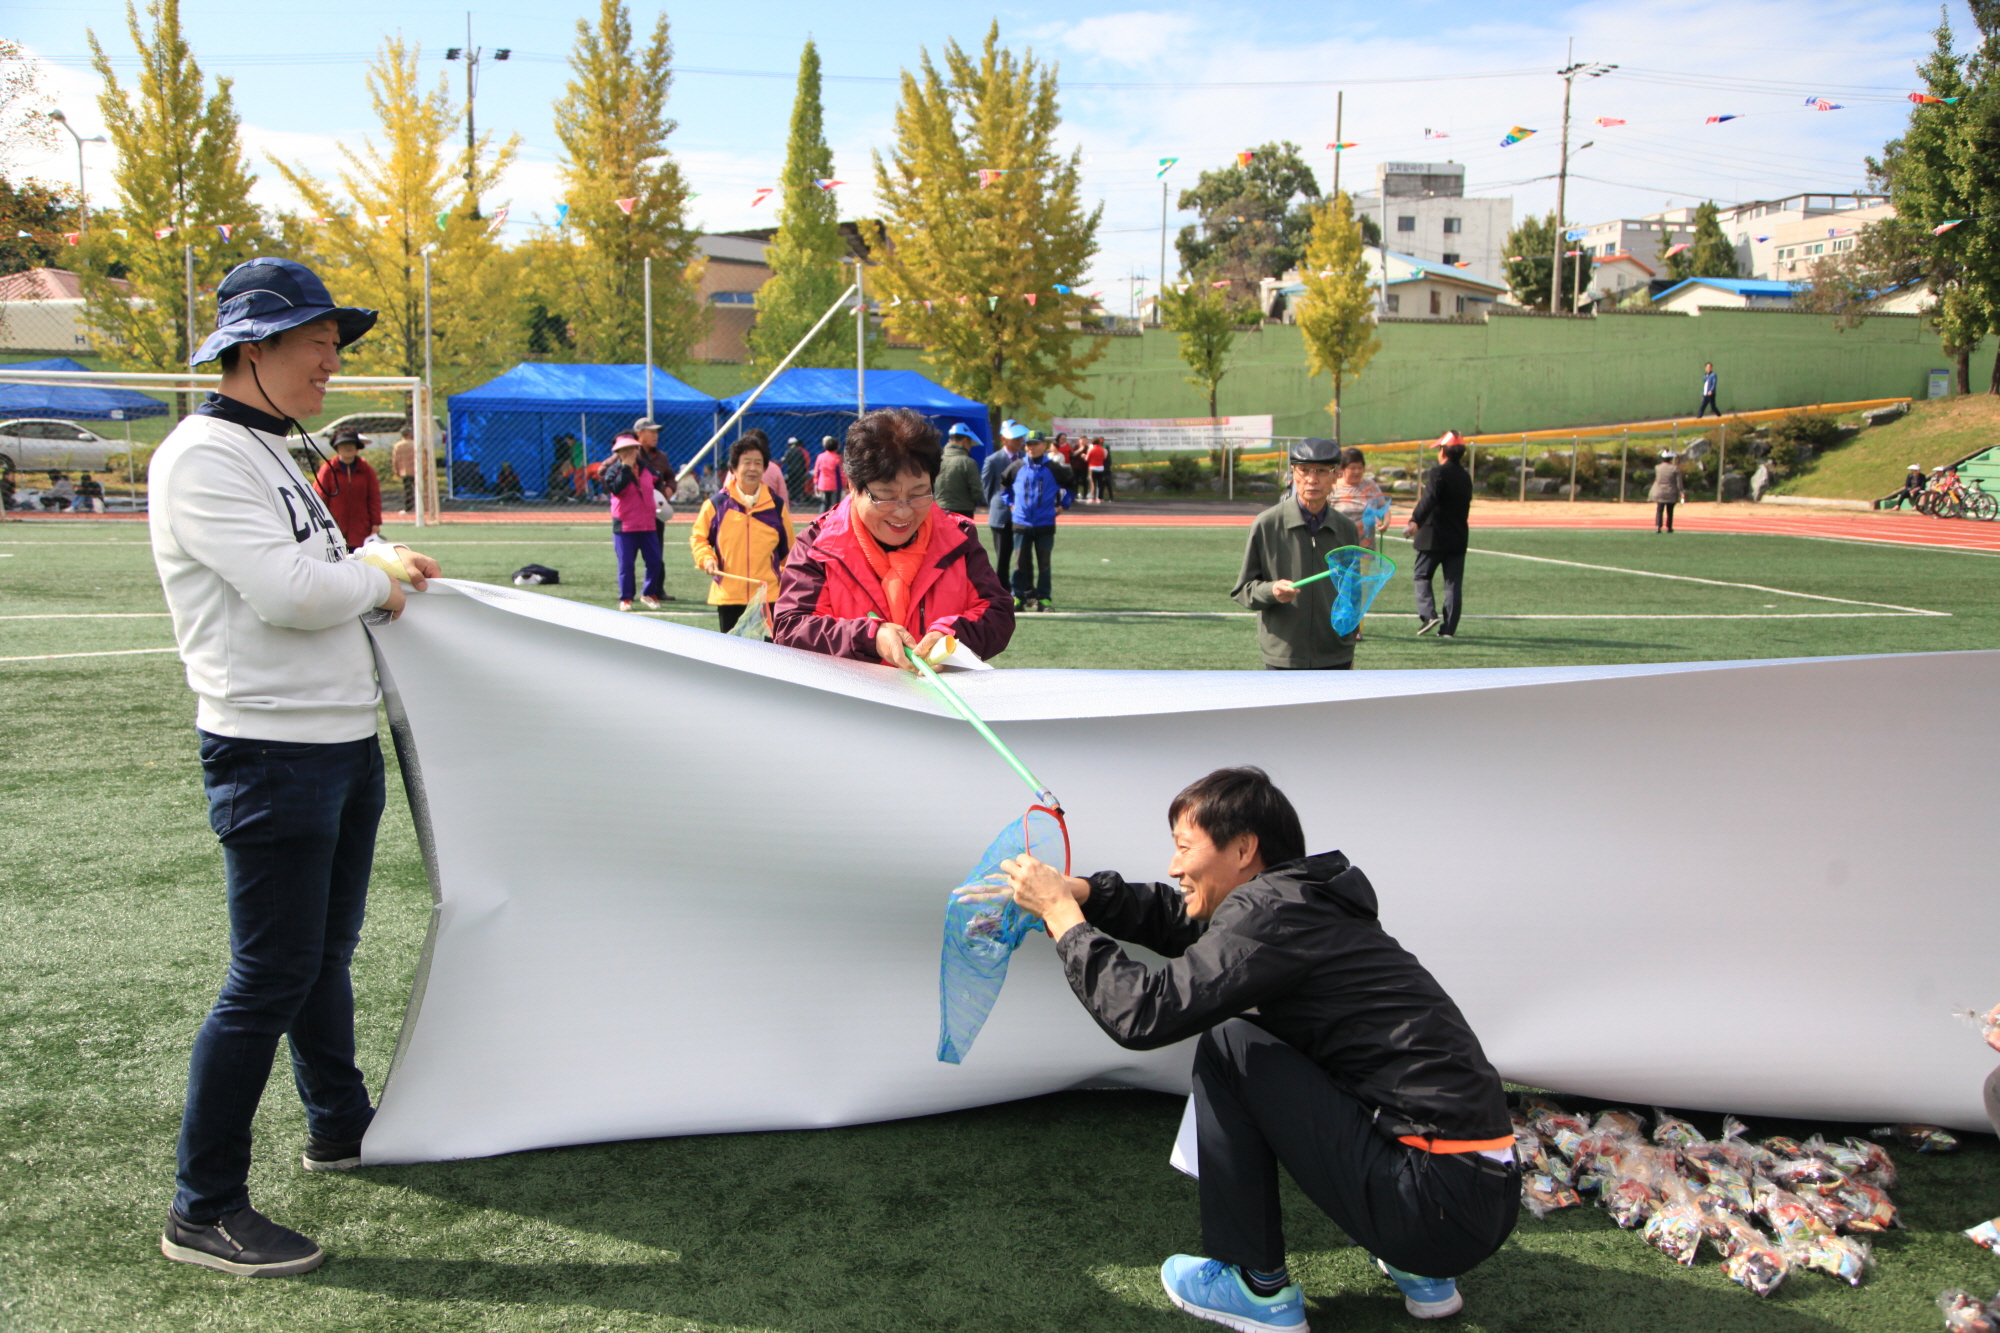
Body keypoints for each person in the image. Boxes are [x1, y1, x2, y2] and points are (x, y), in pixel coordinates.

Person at [148, 255, 441, 1277]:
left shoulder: (265, 448)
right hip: (271, 747)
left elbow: (324, 572)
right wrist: (376, 577)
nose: (331, 360)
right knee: (268, 974)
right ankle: (203, 1207)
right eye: (316, 341)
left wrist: (371, 565)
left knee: (322, 956)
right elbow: (289, 591)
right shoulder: (202, 456)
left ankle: (337, 1124)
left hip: (332, 739)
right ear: (255, 347)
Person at [998, 766, 1517, 1332]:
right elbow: (1186, 923)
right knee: (1275, 1036)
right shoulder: (1304, 905)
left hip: (1431, 1203)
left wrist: (1063, 918)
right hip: (1476, 1193)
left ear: (1244, 849)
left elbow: (1144, 1014)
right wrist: (1087, 893)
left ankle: (1256, 1285)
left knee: (1231, 1044)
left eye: (1184, 847)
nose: (1173, 866)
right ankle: (1421, 1272)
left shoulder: (1270, 914)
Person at [772, 407, 1013, 667]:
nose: (903, 512)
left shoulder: (958, 538)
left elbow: (998, 614)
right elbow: (791, 627)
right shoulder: (818, 545)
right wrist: (868, 638)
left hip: (933, 693)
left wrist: (952, 637)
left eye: (919, 493)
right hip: (851, 693)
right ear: (852, 486)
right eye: (886, 496)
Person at [1231, 438, 1363, 670]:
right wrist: (1271, 590)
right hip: (1284, 654)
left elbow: (1352, 592)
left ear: (1335, 475)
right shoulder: (1267, 524)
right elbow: (1243, 590)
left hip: (1335, 654)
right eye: (1304, 470)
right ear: (1293, 472)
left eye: (1322, 471)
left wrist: (1349, 643)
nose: (1312, 479)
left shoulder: (1346, 528)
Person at [691, 431, 794, 633]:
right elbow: (700, 538)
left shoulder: (776, 506)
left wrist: (785, 583)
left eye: (758, 463)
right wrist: (706, 558)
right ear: (734, 468)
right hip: (729, 595)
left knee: (768, 650)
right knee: (731, 650)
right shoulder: (716, 505)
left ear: (764, 468)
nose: (752, 468)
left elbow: (789, 552)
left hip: (768, 596)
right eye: (746, 462)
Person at [1405, 431, 1473, 638]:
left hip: (1432, 536)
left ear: (1443, 451)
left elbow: (1429, 499)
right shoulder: (1465, 476)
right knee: (1453, 584)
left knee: (1422, 575)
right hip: (1457, 537)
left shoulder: (1438, 473)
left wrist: (1415, 520)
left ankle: (1428, 614)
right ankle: (1449, 628)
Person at [1002, 431, 1074, 613]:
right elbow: (1003, 485)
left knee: (1044, 564)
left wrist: (1063, 505)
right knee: (1020, 563)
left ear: (1044, 445)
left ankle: (1044, 599)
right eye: (1028, 444)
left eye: (1035, 443)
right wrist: (1010, 504)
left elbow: (1071, 485)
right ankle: (1017, 597)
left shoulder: (1053, 468)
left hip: (1045, 523)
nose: (1031, 447)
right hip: (1021, 523)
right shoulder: (1017, 466)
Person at [601, 433, 667, 612]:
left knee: (654, 561)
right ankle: (626, 598)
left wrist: (659, 498)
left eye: (632, 448)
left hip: (648, 523)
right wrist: (626, 468)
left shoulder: (646, 468)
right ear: (618, 453)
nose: (629, 452)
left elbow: (657, 480)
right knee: (626, 565)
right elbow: (616, 488)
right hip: (625, 525)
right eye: (624, 449)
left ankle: (649, 593)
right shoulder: (613, 471)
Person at [315, 427, 382, 551]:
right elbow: (320, 497)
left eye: (352, 444)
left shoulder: (367, 470)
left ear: (357, 447)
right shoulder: (328, 469)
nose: (348, 447)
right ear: (337, 448)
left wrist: (375, 523)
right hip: (334, 526)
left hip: (361, 527)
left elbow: (374, 498)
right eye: (343, 444)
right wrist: (321, 522)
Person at [982, 419, 1027, 576]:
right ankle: (1002, 588)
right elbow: (987, 488)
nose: (1020, 441)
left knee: (1023, 555)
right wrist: (997, 504)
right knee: (1002, 557)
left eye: (1021, 438)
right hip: (1001, 517)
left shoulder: (1026, 457)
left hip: (1022, 514)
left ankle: (1021, 587)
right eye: (1015, 438)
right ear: (1004, 439)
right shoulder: (993, 460)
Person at [1330, 447, 1389, 548]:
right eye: (1352, 468)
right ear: (1342, 468)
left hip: (1366, 547)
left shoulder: (1371, 486)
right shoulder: (1332, 487)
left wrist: (1385, 523)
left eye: (1360, 467)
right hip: (1339, 546)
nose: (1357, 471)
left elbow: (1384, 508)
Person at [936, 422, 983, 519]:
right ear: (965, 440)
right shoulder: (968, 462)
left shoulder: (937, 460)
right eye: (970, 443)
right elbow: (977, 492)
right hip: (963, 513)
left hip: (940, 511)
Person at [1649, 448, 1684, 534]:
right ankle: (1669, 527)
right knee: (1670, 510)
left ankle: (1658, 526)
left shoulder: (1657, 467)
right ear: (1671, 459)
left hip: (1659, 491)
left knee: (1659, 509)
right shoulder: (1675, 468)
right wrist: (1681, 492)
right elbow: (1679, 482)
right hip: (1671, 491)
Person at [813, 435, 843, 513]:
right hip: (835, 485)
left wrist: (816, 483)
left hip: (823, 484)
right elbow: (841, 473)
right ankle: (834, 518)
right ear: (836, 447)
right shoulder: (838, 458)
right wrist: (845, 484)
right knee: (835, 505)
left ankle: (821, 518)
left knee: (824, 503)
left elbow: (816, 471)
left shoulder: (820, 457)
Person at [391, 424, 416, 514]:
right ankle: (420, 506)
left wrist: (396, 469)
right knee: (418, 489)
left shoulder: (398, 445)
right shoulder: (415, 444)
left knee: (408, 489)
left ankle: (408, 507)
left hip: (405, 470)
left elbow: (395, 459)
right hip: (416, 469)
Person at [782, 436, 813, 503]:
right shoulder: (800, 451)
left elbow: (785, 460)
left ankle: (791, 498)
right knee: (798, 485)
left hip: (791, 471)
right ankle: (797, 499)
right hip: (799, 471)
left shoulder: (788, 451)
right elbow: (803, 462)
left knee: (791, 484)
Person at [1084, 435, 1109, 504]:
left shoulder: (1091, 450)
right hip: (1101, 467)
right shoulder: (1103, 450)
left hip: (1093, 467)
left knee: (1093, 483)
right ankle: (1100, 498)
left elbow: (1087, 459)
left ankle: (1093, 498)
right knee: (1100, 483)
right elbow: (1104, 457)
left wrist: (1084, 456)